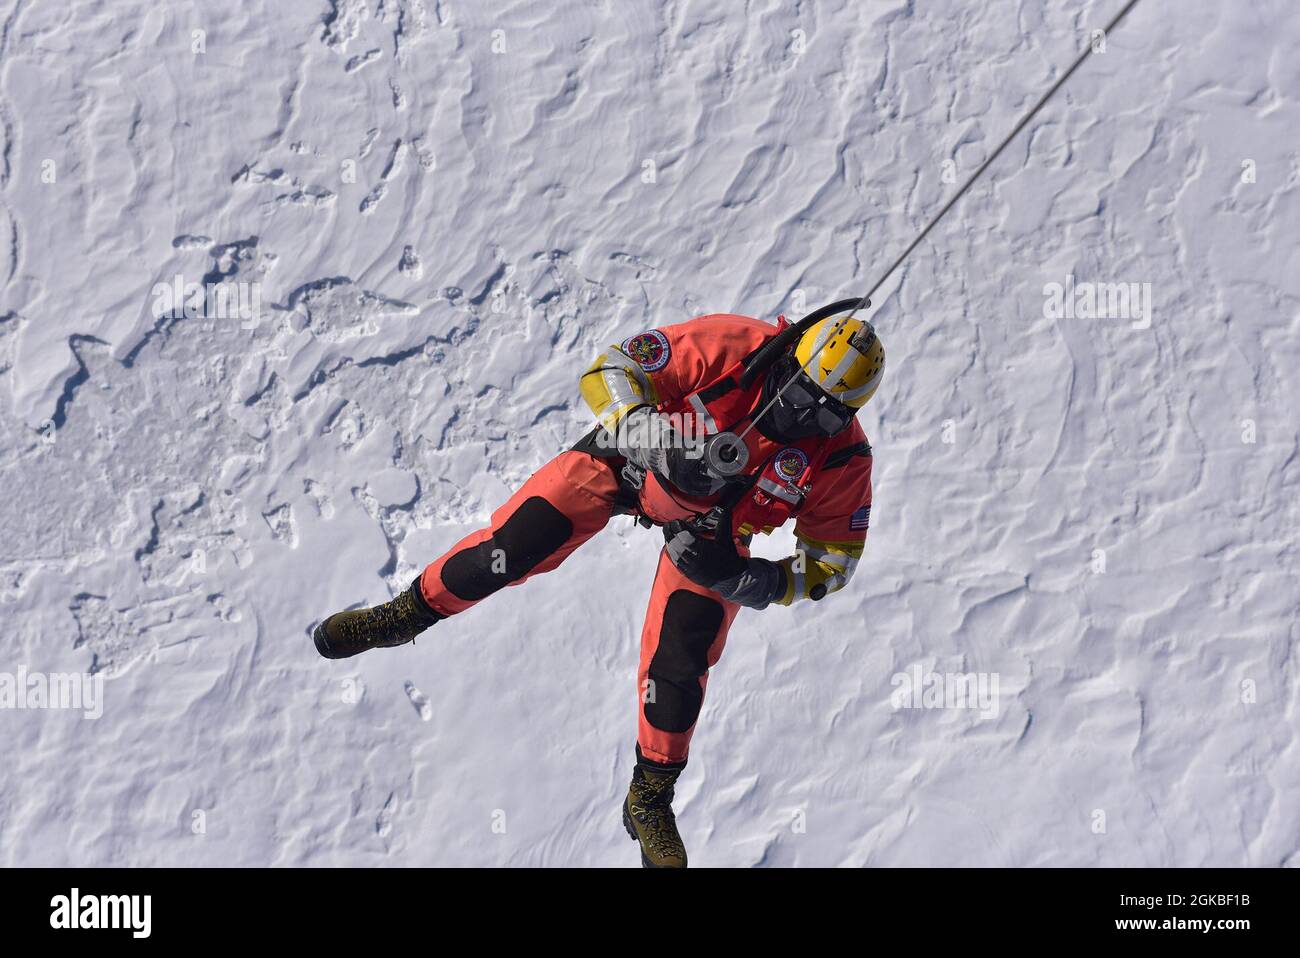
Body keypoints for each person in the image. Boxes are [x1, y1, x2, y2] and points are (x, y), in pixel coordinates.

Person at [312, 306, 884, 867]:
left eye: (827, 414)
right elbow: (612, 369)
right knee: (509, 549)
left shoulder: (843, 459)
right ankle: (405, 615)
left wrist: (750, 579)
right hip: (632, 465)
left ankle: (649, 798)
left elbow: (832, 564)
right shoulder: (735, 346)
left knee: (682, 658)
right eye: (798, 392)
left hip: (712, 540)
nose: (802, 415)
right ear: (790, 360)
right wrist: (654, 437)